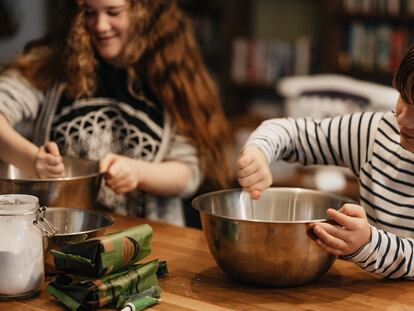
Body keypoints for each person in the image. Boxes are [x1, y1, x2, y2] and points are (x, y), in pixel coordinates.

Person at [0, 0, 232, 225]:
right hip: (55, 229)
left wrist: (137, 172)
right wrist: (33, 160)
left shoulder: (173, 77)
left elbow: (188, 174)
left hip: (147, 238)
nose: (100, 25)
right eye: (90, 12)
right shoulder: (52, 66)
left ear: (143, 11)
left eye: (113, 12)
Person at [237, 46, 414, 279]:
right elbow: (290, 132)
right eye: (404, 97)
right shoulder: (377, 132)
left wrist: (368, 243)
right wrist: (258, 153)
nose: (403, 118)